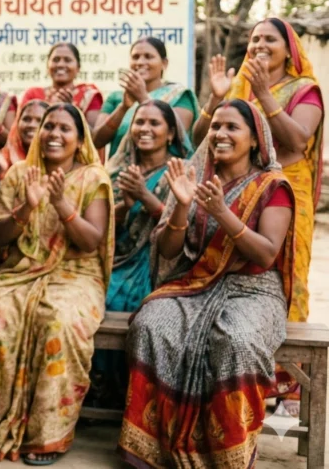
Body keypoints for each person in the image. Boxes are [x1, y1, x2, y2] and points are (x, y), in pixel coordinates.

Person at [118, 99, 295, 468]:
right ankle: (155, 448)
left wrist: (221, 212)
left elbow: (266, 254)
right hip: (196, 285)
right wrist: (182, 206)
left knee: (235, 341)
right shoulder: (193, 178)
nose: (220, 134)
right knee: (151, 326)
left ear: (255, 140)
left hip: (254, 290)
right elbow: (169, 250)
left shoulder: (271, 186)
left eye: (232, 127)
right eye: (215, 126)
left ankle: (227, 455)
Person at [0, 103, 113, 465]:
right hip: (22, 271)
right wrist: (27, 207)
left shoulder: (93, 178)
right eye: (48, 126)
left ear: (80, 139)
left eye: (65, 129)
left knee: (59, 321)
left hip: (76, 274)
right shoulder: (19, 174)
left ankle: (47, 436)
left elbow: (92, 241)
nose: (54, 134)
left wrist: (61, 204)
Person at [193, 18, 323, 324]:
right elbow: (200, 141)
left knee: (288, 267)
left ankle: (291, 345)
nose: (260, 45)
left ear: (289, 51)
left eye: (270, 39)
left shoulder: (305, 90)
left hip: (287, 191)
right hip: (241, 186)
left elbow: (298, 141)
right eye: (255, 39)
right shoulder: (239, 89)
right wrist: (215, 98)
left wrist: (264, 94)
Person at [87, 100, 192, 409]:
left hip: (160, 263)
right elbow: (103, 226)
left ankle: (132, 396)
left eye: (154, 123)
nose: (144, 129)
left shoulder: (182, 171)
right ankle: (99, 390)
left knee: (133, 302)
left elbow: (185, 229)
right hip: (117, 258)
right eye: (139, 122)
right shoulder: (115, 170)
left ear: (171, 133)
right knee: (95, 298)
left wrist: (145, 197)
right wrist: (127, 204)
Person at [93, 37, 197, 153]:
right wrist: (123, 108)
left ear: (164, 63)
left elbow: (178, 137)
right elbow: (96, 141)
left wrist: (143, 98)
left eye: (148, 57)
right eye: (135, 57)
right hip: (120, 165)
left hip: (164, 165)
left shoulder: (179, 96)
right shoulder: (116, 98)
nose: (140, 62)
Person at [22, 43, 104, 129]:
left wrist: (71, 111)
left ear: (78, 67)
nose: (60, 64)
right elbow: (20, 130)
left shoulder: (88, 96)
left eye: (67, 60)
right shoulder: (33, 94)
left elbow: (93, 135)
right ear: (47, 66)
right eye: (56, 60)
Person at [0, 98, 47, 179]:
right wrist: (4, 170)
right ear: (17, 122)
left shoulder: (53, 161)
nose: (32, 125)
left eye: (39, 121)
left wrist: (19, 169)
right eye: (26, 119)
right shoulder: (3, 158)